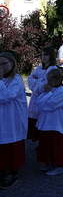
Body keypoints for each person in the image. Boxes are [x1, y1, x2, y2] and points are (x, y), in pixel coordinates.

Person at [0, 52, 28, 188]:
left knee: (12, 144)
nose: (2, 67)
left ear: (12, 64)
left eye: (4, 64)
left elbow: (7, 96)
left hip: (12, 119)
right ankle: (3, 169)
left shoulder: (16, 79)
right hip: (2, 118)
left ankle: (13, 171)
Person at [36, 69, 63, 176]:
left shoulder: (62, 92)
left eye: (49, 80)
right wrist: (48, 93)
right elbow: (38, 102)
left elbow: (49, 105)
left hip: (57, 125)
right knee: (46, 145)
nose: (47, 83)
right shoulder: (50, 90)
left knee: (57, 146)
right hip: (47, 123)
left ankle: (59, 166)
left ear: (56, 80)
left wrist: (48, 93)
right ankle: (48, 162)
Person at [27, 47, 57, 141]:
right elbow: (30, 81)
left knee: (44, 125)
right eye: (42, 55)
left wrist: (37, 82)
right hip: (35, 100)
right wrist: (39, 83)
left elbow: (47, 85)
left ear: (51, 56)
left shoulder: (53, 69)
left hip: (46, 100)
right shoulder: (39, 68)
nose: (43, 57)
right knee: (35, 124)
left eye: (46, 55)